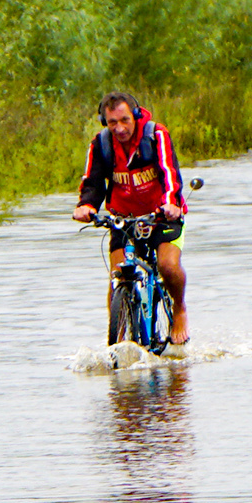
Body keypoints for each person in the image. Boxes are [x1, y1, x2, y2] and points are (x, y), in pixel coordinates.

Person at [73, 92, 190, 346]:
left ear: (135, 116)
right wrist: (85, 206)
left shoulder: (155, 135)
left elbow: (170, 173)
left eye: (124, 120)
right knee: (117, 277)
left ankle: (179, 310)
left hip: (161, 216)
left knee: (168, 266)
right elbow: (92, 183)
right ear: (105, 122)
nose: (120, 128)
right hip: (123, 221)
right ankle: (119, 335)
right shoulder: (101, 144)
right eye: (112, 122)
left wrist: (171, 203)